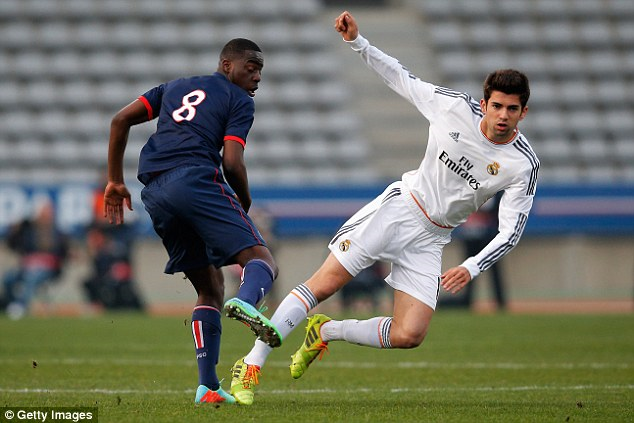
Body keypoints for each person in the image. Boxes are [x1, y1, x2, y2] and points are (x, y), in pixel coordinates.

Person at [228, 11, 539, 405]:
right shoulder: (453, 108)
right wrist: (358, 42)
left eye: (512, 109)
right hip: (400, 210)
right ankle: (250, 365)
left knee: (410, 334)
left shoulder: (522, 164)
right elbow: (400, 77)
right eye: (497, 106)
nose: (503, 116)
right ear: (485, 104)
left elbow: (510, 231)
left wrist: (471, 266)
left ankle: (326, 332)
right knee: (325, 283)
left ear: (523, 113)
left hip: (433, 238)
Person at [103, 38, 281, 405]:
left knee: (210, 286)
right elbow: (232, 162)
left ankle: (208, 388)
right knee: (262, 260)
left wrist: (115, 180)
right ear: (227, 65)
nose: (257, 77)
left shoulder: (174, 87)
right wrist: (243, 201)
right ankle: (247, 301)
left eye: (260, 70)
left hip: (155, 192)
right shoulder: (238, 100)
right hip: (195, 179)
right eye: (251, 67)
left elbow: (120, 120)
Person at [2, 202, 69, 320]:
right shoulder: (29, 231)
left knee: (31, 278)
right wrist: (16, 230)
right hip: (28, 266)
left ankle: (21, 306)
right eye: (43, 213)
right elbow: (13, 244)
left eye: (48, 213)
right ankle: (10, 304)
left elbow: (63, 252)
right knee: (8, 279)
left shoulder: (58, 232)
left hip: (48, 269)